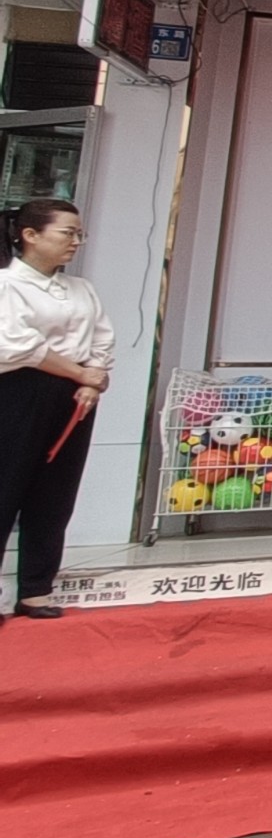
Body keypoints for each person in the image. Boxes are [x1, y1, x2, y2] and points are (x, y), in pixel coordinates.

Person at [0, 199, 113, 622]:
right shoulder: (7, 285)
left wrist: (93, 379)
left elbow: (102, 339)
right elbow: (16, 346)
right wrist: (81, 373)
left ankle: (36, 589)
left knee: (55, 493)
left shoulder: (82, 288)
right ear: (30, 235)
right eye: (67, 233)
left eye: (79, 234)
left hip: (74, 396)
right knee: (6, 486)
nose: (75, 241)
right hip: (18, 389)